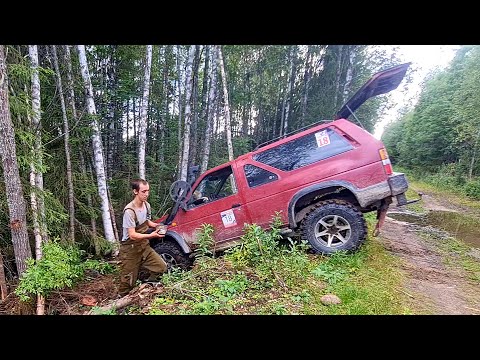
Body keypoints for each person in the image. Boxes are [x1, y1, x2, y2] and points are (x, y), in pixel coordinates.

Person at [118, 178, 168, 297]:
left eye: (148, 191)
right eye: (143, 191)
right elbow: (132, 235)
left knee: (161, 267)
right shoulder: (129, 211)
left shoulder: (147, 205)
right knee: (128, 280)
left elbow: (146, 221)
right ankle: (120, 303)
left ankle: (147, 287)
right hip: (130, 249)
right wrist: (152, 235)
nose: (146, 194)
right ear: (135, 191)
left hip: (144, 246)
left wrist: (156, 226)